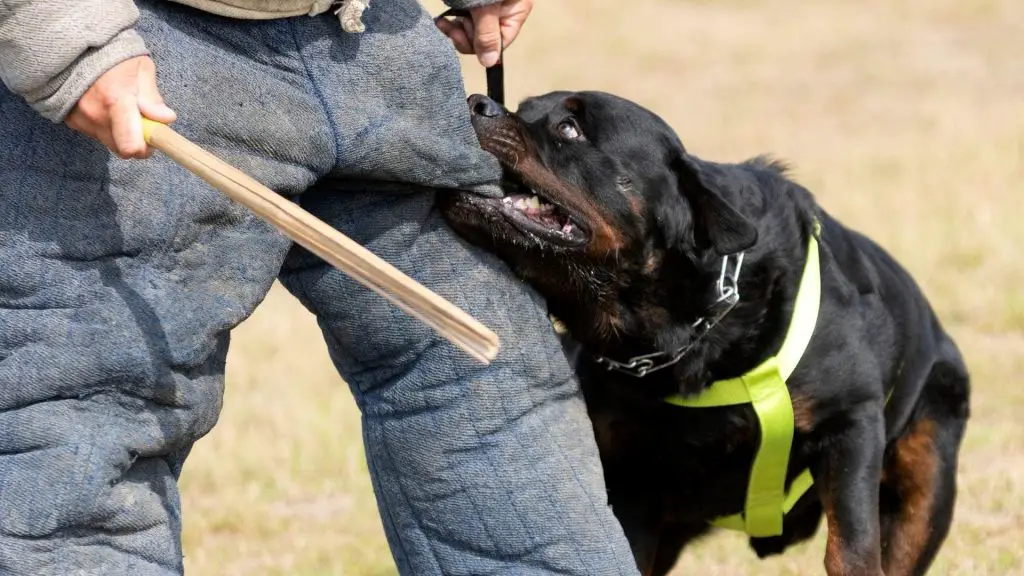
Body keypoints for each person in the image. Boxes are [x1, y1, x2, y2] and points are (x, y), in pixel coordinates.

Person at [0, 1, 642, 575]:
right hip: (149, 49)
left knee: (492, 386)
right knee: (80, 437)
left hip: (376, 44)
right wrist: (67, 30)